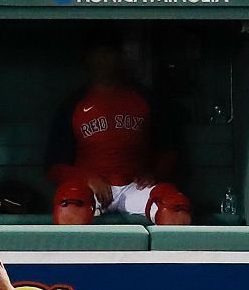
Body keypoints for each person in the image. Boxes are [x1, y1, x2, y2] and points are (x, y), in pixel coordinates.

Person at [44, 33, 190, 225]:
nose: (102, 61)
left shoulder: (145, 99)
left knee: (173, 207)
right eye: (97, 55)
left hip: (134, 187)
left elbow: (169, 150)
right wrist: (87, 178)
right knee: (70, 205)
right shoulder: (73, 104)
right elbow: (53, 166)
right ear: (86, 59)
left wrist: (154, 174)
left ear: (120, 58)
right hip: (91, 191)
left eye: (108, 54)